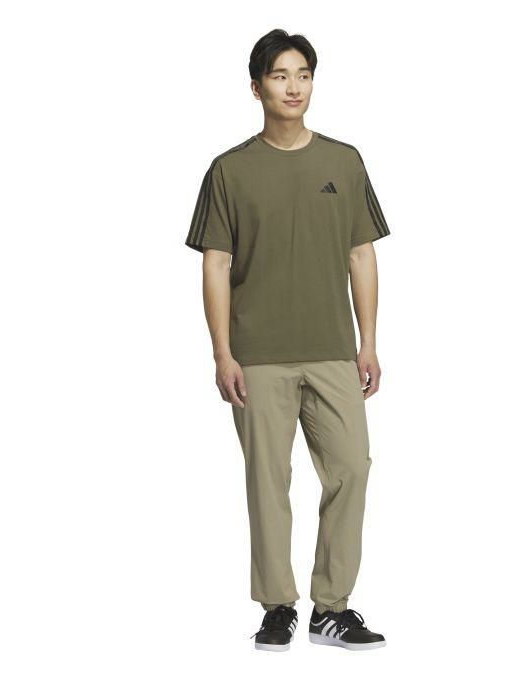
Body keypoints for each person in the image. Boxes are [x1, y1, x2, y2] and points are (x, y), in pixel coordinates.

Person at [185, 28, 390, 652]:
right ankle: (278, 606)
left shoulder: (344, 162)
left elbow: (361, 254)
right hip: (258, 356)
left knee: (351, 466)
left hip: (332, 350)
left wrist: (368, 343)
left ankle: (332, 608)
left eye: (303, 74)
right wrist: (222, 352)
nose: (293, 87)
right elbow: (216, 263)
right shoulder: (229, 170)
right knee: (267, 482)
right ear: (257, 88)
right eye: (280, 76)